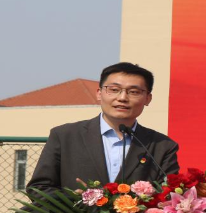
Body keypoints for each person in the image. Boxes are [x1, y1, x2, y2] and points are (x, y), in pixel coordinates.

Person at [28, 62, 179, 194]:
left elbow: (168, 194)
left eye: (133, 92)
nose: (122, 98)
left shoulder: (162, 146)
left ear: (148, 99)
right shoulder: (65, 136)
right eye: (114, 89)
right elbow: (39, 188)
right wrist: (76, 201)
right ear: (99, 93)